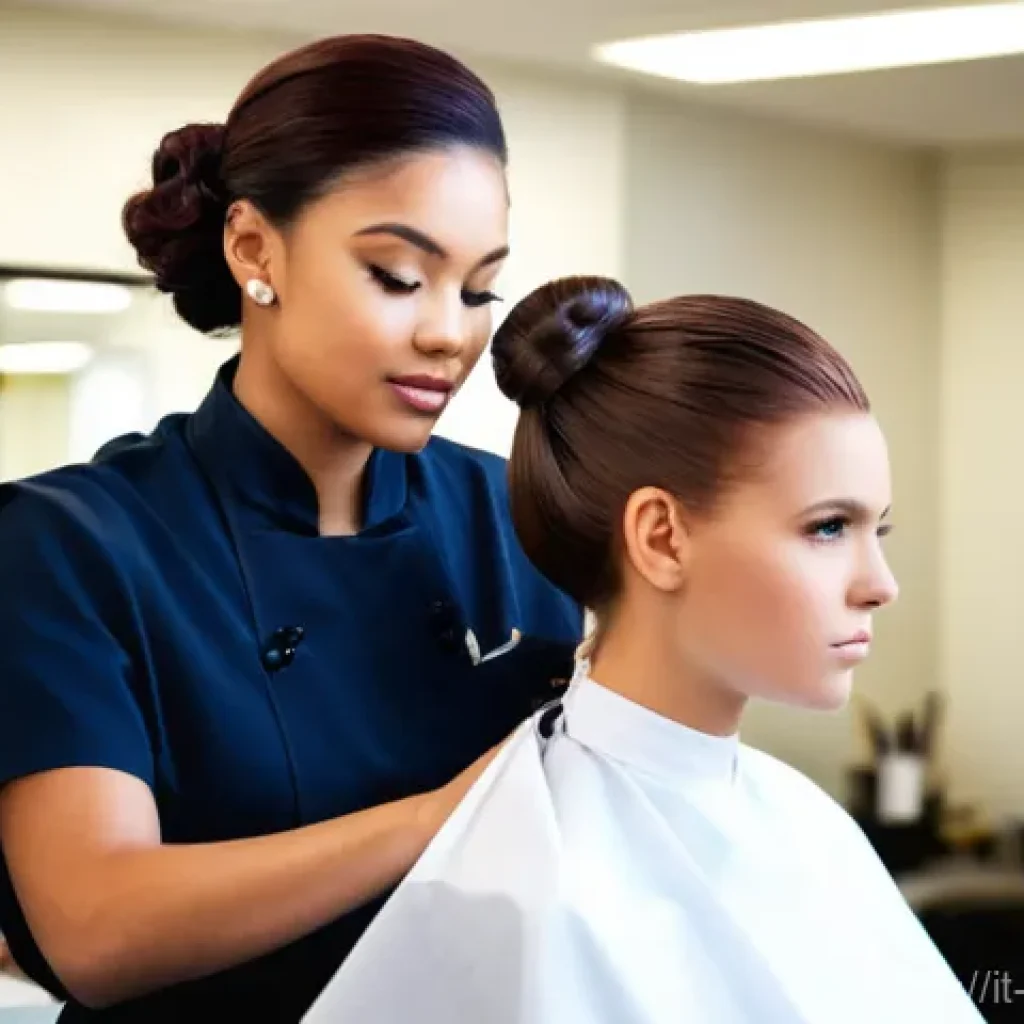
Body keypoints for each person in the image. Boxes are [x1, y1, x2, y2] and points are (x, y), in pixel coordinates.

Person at [0, 35, 582, 1023]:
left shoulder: (524, 514)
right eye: (399, 275)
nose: (450, 331)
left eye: (480, 289)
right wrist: (451, 812)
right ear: (253, 249)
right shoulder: (70, 545)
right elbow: (97, 926)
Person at [301, 277, 985, 1023]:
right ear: (662, 538)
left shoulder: (806, 821)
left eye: (875, 532)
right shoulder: (541, 890)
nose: (879, 585)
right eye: (826, 528)